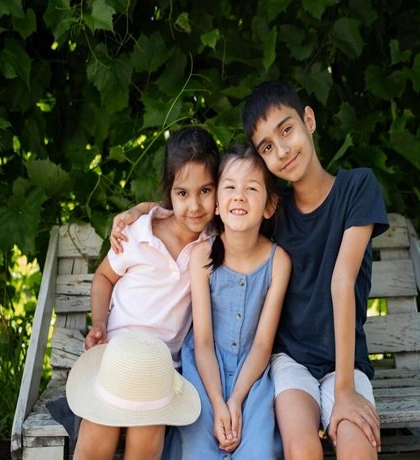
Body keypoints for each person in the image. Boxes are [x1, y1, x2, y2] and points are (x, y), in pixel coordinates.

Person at [242, 80, 388, 460]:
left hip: (346, 362)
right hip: (290, 360)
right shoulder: (274, 211)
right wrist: (142, 213)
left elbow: (343, 281)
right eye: (268, 147)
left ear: (309, 119)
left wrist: (344, 392)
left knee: (359, 448)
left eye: (286, 129)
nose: (283, 150)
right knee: (301, 448)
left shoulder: (357, 187)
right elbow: (214, 209)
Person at [73, 125, 219, 460]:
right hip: (117, 357)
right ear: (169, 191)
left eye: (206, 190)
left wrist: (140, 205)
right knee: (97, 434)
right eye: (182, 193)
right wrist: (98, 324)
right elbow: (103, 278)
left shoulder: (212, 240)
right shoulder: (138, 234)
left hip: (161, 367)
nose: (195, 205)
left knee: (147, 437)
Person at [176, 145, 291, 459]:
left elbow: (263, 343)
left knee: (258, 451)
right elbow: (202, 341)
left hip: (251, 376)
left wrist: (237, 399)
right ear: (216, 204)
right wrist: (216, 401)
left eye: (251, 188)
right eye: (229, 187)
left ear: (269, 206)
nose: (239, 196)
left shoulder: (278, 261)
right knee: (198, 451)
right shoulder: (202, 256)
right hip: (204, 371)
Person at [66, 330, 201, 457]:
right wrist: (99, 322)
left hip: (153, 379)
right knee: (94, 434)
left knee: (147, 436)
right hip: (118, 370)